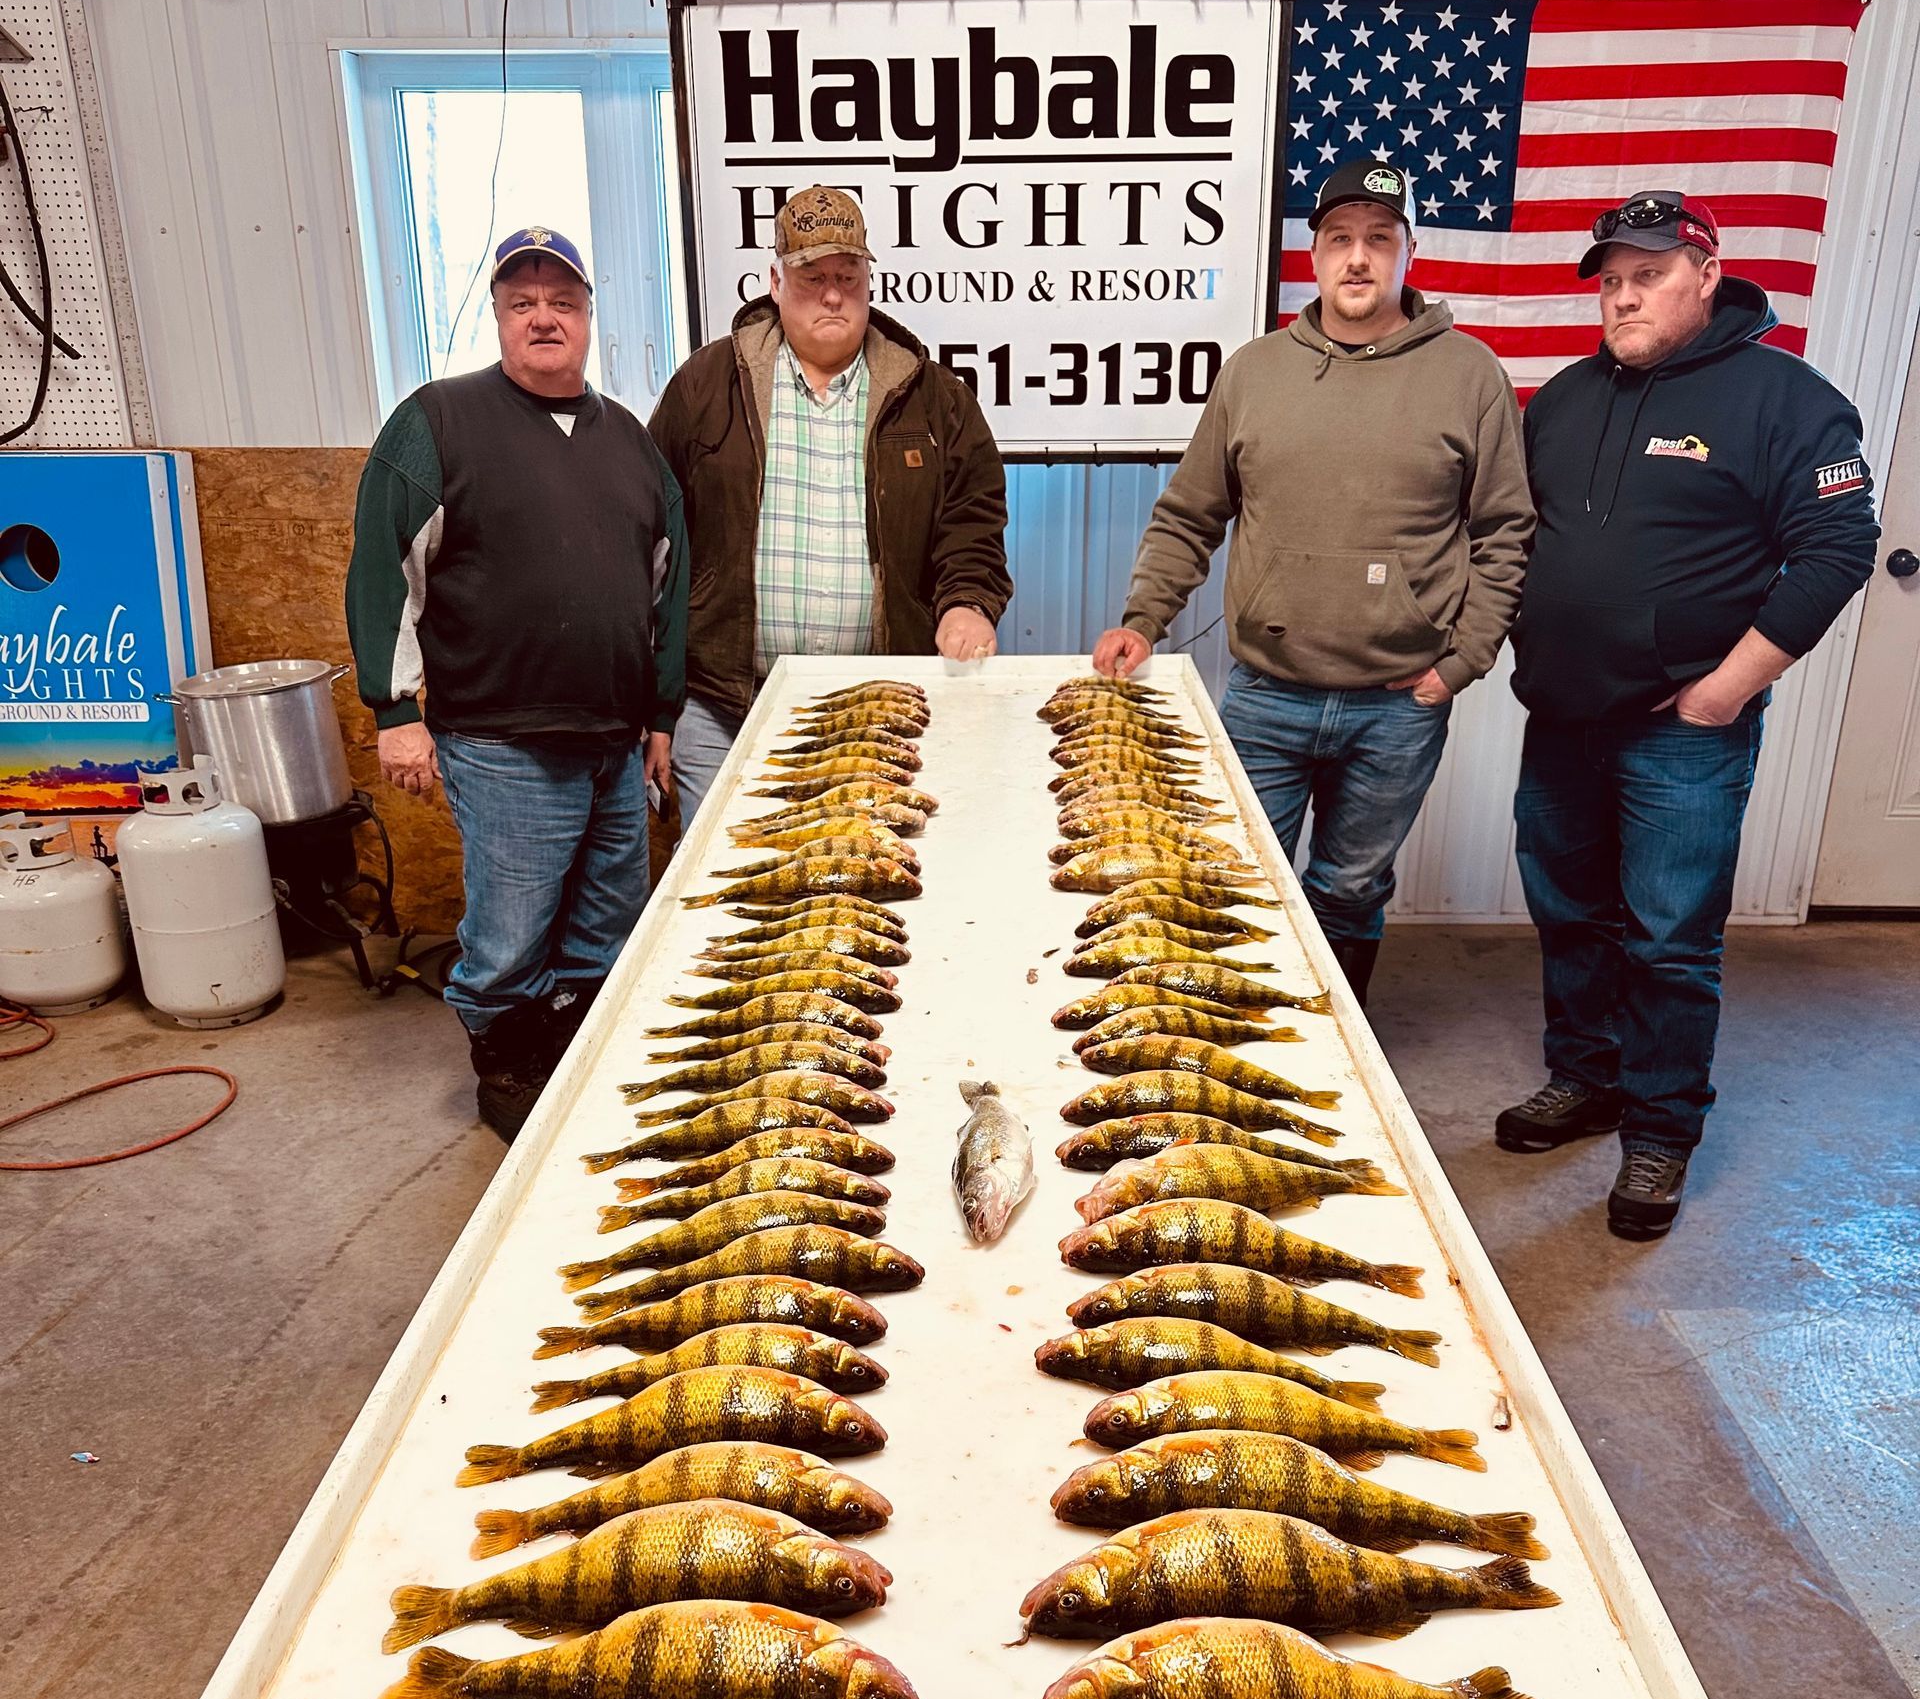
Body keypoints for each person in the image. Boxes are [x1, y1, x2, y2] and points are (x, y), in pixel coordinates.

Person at [1497, 189, 1879, 1239]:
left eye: (1650, 276)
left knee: (1669, 940)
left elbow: (1840, 548)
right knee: (1570, 915)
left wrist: (1728, 686)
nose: (1624, 297)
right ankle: (1587, 1078)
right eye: (1612, 281)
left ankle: (1661, 1130)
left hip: (1684, 733)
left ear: (1707, 277)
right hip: (1561, 720)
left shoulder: (1786, 399)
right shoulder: (1564, 398)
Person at [1092, 158, 1534, 1004]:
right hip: (1269, 695)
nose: (1358, 258)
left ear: (1409, 252)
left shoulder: (1470, 374)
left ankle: (1338, 1041)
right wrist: (1143, 618)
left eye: (1379, 239)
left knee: (1350, 889)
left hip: (1399, 705)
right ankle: (1238, 1042)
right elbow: (1189, 513)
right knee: (1231, 877)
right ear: (1314, 254)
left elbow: (1506, 530)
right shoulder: (1255, 372)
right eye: (1340, 239)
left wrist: (1462, 662)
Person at [347, 224, 687, 1141]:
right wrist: (394, 710)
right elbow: (385, 571)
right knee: (512, 928)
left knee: (607, 919)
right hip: (501, 741)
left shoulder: (631, 444)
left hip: (614, 740)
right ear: (498, 315)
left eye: (562, 302)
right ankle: (507, 1066)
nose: (544, 318)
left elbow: (667, 584)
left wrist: (659, 715)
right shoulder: (437, 422)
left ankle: (574, 1057)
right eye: (523, 302)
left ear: (588, 317)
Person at [649, 186, 1011, 821]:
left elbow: (972, 522)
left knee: (864, 866)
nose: (834, 295)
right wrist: (654, 699)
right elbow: (652, 532)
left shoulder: (935, 398)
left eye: (848, 276)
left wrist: (967, 602)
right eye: (812, 277)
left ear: (869, 281)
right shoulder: (704, 385)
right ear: (774, 281)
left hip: (880, 706)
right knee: (733, 865)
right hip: (724, 705)